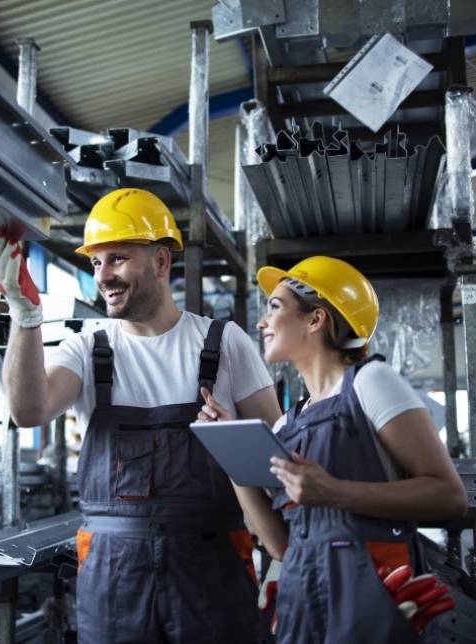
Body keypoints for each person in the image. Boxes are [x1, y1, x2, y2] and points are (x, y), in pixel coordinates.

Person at [0, 188, 282, 644]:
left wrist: (235, 442)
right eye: (97, 262)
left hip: (211, 570)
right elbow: (27, 412)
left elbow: (276, 464)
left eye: (118, 258)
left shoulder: (226, 343)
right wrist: (25, 317)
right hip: (114, 576)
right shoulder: (86, 349)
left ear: (161, 262)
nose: (104, 276)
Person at [198, 255, 468, 644]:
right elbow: (279, 545)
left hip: (373, 599)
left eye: (274, 307)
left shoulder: (371, 383)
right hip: (303, 601)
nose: (262, 322)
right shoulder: (286, 424)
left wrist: (335, 492)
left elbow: (449, 496)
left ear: (315, 319)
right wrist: (230, 454)